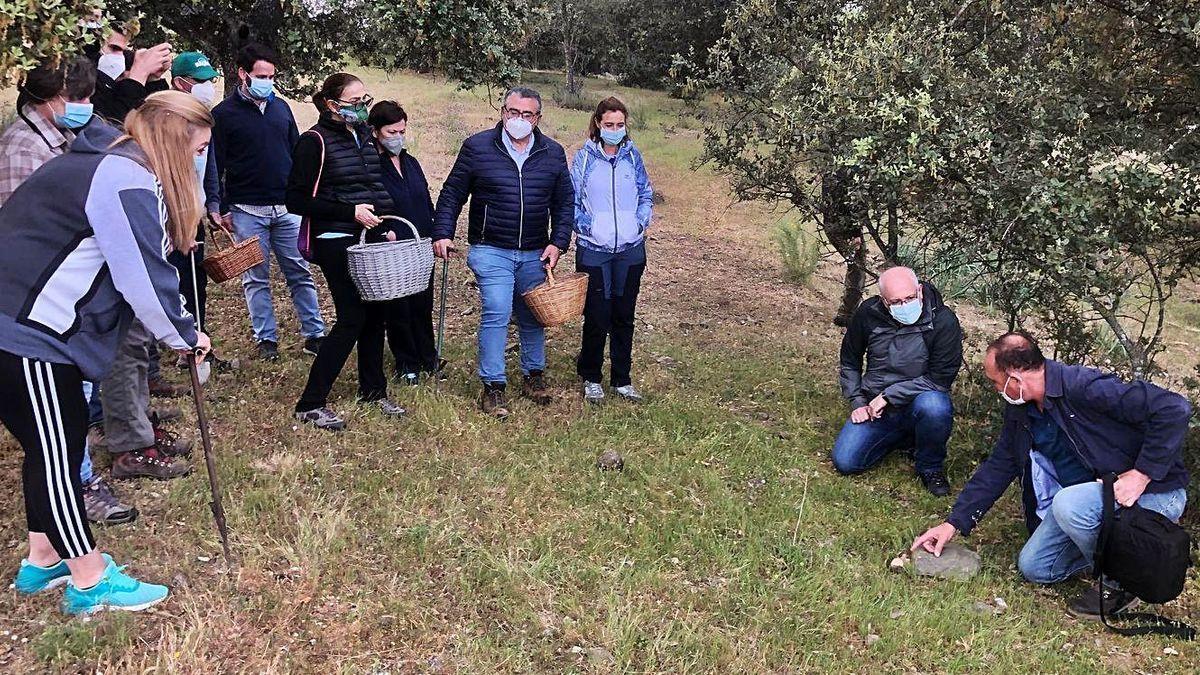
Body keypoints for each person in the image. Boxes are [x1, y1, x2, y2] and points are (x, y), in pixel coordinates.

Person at [0, 90, 212, 614]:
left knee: (56, 443)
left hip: (28, 328)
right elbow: (140, 275)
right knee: (57, 458)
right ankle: (90, 580)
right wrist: (184, 335)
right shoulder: (126, 178)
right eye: (197, 149)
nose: (197, 161)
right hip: (25, 331)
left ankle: (41, 560)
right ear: (173, 139)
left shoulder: (106, 159)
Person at [912, 332, 1191, 620]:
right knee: (1035, 567)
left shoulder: (1084, 386)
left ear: (1015, 377)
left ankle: (1120, 583)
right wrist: (953, 524)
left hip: (1152, 496)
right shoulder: (1021, 410)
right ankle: (1111, 550)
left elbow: (1174, 408)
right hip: (1096, 503)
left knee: (1067, 504)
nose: (996, 389)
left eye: (996, 382)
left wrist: (1141, 474)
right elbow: (1000, 464)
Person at [0, 58, 138, 526]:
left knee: (72, 404)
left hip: (63, 296)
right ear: (49, 99)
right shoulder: (23, 144)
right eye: (76, 98)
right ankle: (77, 496)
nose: (84, 108)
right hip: (38, 304)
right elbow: (25, 227)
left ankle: (52, 533)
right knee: (58, 424)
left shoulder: (62, 138)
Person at [432, 87, 575, 418]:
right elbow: (453, 192)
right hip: (490, 247)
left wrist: (558, 241)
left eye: (527, 115)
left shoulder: (552, 153)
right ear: (502, 112)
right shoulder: (478, 147)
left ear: (537, 118)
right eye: (513, 112)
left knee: (532, 313)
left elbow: (565, 201)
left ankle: (533, 376)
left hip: (535, 251)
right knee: (497, 309)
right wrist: (442, 232)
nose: (519, 120)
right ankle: (493, 386)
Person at [287, 73, 404, 431]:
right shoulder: (314, 141)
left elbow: (372, 187)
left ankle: (373, 390)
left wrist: (385, 228)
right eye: (354, 102)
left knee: (375, 315)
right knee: (352, 316)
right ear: (332, 105)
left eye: (364, 99)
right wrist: (347, 212)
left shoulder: (364, 136)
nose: (361, 107)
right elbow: (294, 199)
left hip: (367, 239)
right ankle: (311, 402)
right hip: (333, 239)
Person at [212, 42, 326, 361]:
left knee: (300, 271)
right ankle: (266, 340)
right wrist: (220, 207)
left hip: (287, 208)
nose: (266, 80)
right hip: (246, 211)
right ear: (243, 74)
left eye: (271, 75)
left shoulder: (281, 108)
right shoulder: (223, 115)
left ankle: (315, 334)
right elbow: (215, 165)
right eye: (260, 75)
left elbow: (297, 153)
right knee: (255, 277)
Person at [832, 266, 962, 495]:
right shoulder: (867, 314)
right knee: (846, 462)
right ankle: (902, 438)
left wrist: (889, 396)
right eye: (896, 302)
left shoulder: (943, 321)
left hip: (919, 400)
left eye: (910, 298)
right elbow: (850, 360)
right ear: (883, 300)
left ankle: (930, 466)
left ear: (920, 291)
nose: (904, 305)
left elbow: (939, 380)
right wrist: (857, 401)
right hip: (875, 407)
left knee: (935, 406)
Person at [570, 97, 654, 405]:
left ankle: (622, 379)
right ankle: (591, 376)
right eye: (609, 125)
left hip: (630, 249)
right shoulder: (584, 159)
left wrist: (640, 222)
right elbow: (572, 200)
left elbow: (645, 192)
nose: (615, 130)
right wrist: (588, 228)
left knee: (624, 315)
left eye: (620, 125)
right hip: (594, 250)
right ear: (597, 124)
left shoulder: (633, 156)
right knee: (597, 315)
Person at [167, 51, 235, 373]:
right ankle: (174, 347)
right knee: (172, 280)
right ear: (180, 83)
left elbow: (210, 166)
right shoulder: (164, 121)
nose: (207, 87)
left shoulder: (203, 118)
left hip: (194, 214)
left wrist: (212, 205)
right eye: (201, 81)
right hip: (167, 216)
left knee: (196, 282)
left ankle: (197, 348)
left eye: (211, 80)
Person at [367, 100, 441, 383]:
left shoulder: (411, 162)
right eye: (391, 132)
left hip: (421, 242)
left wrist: (436, 230)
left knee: (423, 303)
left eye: (402, 131)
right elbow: (369, 206)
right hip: (392, 247)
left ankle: (427, 355)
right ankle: (406, 362)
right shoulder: (371, 165)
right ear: (376, 132)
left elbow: (425, 198)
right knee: (399, 307)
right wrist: (382, 232)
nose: (398, 137)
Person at [83, 17, 171, 126]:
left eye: (123, 51)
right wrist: (137, 77)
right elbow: (112, 125)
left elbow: (154, 120)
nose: (120, 56)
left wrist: (152, 79)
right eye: (114, 48)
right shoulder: (79, 81)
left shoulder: (123, 74)